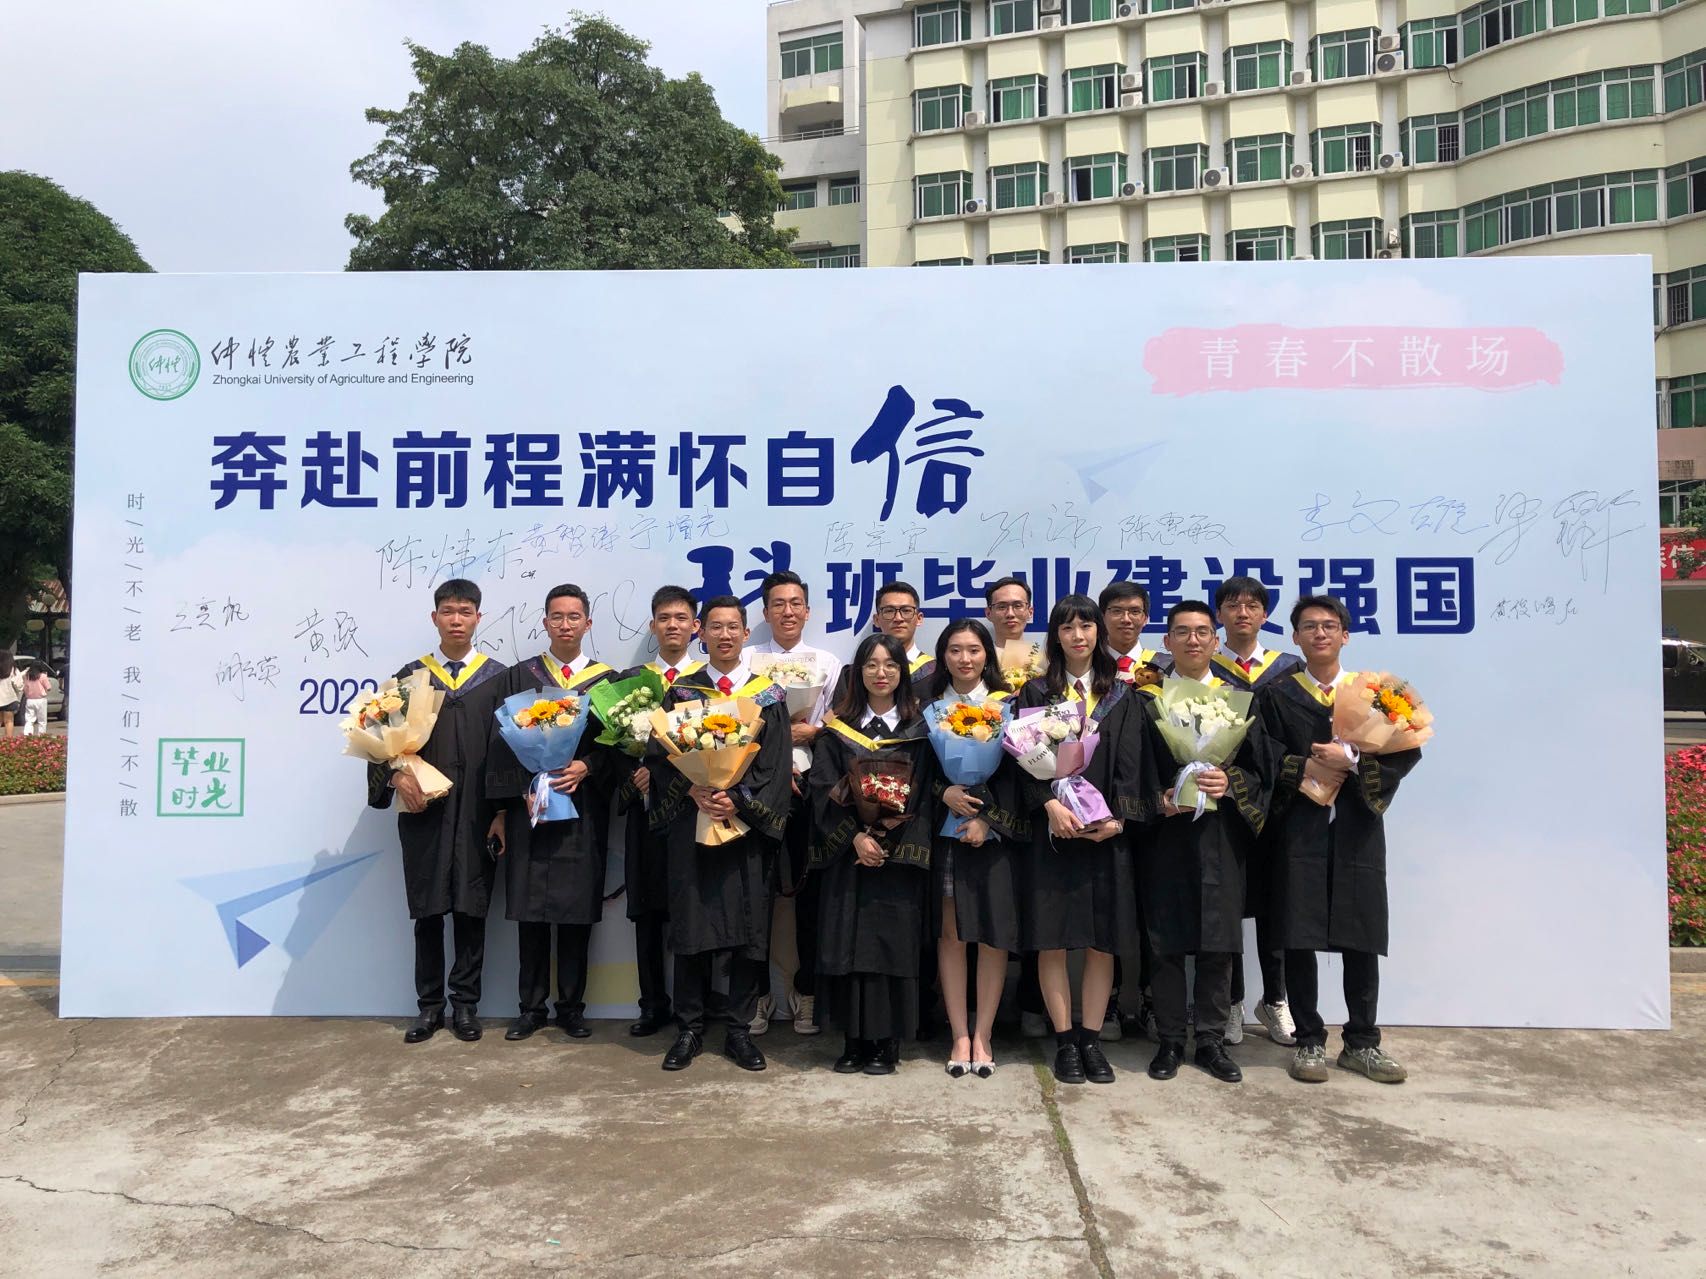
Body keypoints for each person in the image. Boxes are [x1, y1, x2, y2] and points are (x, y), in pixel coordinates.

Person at [1256, 595, 1423, 1086]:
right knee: (1298, 933)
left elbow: (1404, 752)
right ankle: (1308, 1039)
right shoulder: (1277, 695)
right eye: (1309, 626)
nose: (1320, 633)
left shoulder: (1377, 695)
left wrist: (1352, 761)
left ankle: (1362, 1042)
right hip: (1300, 827)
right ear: (1295, 637)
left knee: (1360, 932)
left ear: (1345, 635)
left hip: (1356, 828)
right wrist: (1305, 766)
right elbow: (1261, 755)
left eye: (1330, 626)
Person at [1017, 595, 1154, 1085]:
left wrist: (1117, 821)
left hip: (1105, 838)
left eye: (1086, 626)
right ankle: (1064, 1042)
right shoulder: (1035, 692)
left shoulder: (1121, 695)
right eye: (1067, 627)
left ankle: (1091, 1041)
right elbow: (1020, 763)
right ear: (1055, 636)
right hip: (1053, 836)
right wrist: (1047, 805)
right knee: (1052, 941)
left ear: (1099, 632)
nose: (1078, 635)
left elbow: (1133, 765)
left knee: (1102, 943)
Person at [367, 579, 508, 1044]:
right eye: (448, 611)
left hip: (477, 811)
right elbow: (380, 740)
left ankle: (465, 1005)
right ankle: (429, 1007)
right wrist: (395, 775)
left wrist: (502, 813)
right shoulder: (411, 677)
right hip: (424, 809)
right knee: (427, 910)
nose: (456, 620)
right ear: (435, 618)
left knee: (471, 909)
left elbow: (508, 751)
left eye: (465, 612)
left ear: (478, 618)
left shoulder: (499, 678)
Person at [657, 595, 794, 1073]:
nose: (725, 635)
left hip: (746, 832)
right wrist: (693, 788)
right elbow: (662, 759)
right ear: (702, 633)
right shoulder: (681, 693)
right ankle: (690, 1029)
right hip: (693, 827)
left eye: (733, 627)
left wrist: (739, 799)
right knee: (692, 927)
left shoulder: (768, 695)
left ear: (745, 633)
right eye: (715, 627)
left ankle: (739, 1030)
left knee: (747, 931)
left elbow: (776, 765)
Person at [1140, 601, 1272, 1085]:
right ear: (1167, 642)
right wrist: (1156, 800)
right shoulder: (1145, 701)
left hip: (1220, 837)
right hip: (1166, 837)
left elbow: (1263, 772)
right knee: (1165, 941)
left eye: (1201, 632)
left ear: (1216, 642)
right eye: (1182, 632)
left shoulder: (1240, 700)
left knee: (1219, 941)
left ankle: (1212, 1039)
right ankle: (1171, 1039)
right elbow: (1129, 768)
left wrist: (1229, 782)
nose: (1192, 640)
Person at [485, 584, 616, 1043]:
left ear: (588, 623)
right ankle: (530, 1008)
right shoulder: (520, 677)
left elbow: (619, 746)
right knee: (532, 911)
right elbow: (499, 745)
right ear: (544, 622)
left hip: (582, 809)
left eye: (574, 616)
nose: (565, 624)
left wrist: (587, 766)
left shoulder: (606, 682)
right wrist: (507, 803)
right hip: (530, 811)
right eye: (556, 617)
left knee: (576, 912)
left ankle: (571, 1008)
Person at [809, 633, 934, 1075]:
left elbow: (925, 792)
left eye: (891, 665)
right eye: (871, 665)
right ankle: (852, 1041)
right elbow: (822, 789)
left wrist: (885, 838)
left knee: (890, 947)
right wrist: (856, 839)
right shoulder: (837, 730)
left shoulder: (920, 730)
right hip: (851, 859)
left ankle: (885, 1042)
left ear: (902, 673)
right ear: (857, 673)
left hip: (897, 859)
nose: (881, 673)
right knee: (848, 944)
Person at [922, 619, 1023, 1077]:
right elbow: (917, 771)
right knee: (952, 935)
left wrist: (987, 818)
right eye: (955, 650)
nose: (965, 658)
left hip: (994, 835)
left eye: (974, 650)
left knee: (991, 935)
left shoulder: (1009, 706)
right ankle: (959, 1034)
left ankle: (984, 1034)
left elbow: (1020, 774)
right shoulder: (928, 708)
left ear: (987, 656)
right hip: (945, 833)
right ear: (943, 656)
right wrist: (943, 792)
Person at [748, 569, 842, 1037]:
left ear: (807, 610)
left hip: (810, 786)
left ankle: (807, 994)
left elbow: (841, 721)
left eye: (795, 603)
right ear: (765, 613)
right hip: (758, 788)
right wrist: (777, 746)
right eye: (778, 604)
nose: (787, 611)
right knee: (756, 892)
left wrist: (814, 730)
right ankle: (756, 994)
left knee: (810, 892)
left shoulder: (828, 662)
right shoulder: (748, 661)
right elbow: (737, 722)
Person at [1211, 575, 1303, 1047]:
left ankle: (1277, 997)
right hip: (1227, 802)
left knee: (1275, 901)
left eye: (1252, 605)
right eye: (1232, 605)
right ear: (1220, 614)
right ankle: (1232, 1002)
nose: (1242, 612)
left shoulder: (1288, 668)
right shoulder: (1207, 668)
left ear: (1265, 615)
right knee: (1230, 905)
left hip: (1280, 803)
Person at [615, 585, 703, 1037]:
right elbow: (610, 745)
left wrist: (669, 777)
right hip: (645, 813)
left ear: (695, 626)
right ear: (653, 625)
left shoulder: (708, 681)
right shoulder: (631, 682)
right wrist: (635, 775)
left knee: (694, 908)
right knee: (647, 910)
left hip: (693, 812)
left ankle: (701, 1005)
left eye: (681, 618)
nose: (673, 625)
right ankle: (652, 1003)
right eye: (664, 618)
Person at [1099, 581, 1171, 680]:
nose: (1126, 619)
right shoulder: (1088, 664)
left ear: (1145, 619)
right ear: (1102, 617)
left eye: (1135, 611)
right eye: (1117, 611)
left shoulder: (1166, 665)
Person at [21, 663, 51, 736]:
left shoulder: (27, 676)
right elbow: (49, 688)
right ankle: (41, 736)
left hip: (30, 700)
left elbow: (25, 688)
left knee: (29, 720)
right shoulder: (42, 676)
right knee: (42, 720)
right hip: (41, 700)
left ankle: (27, 735)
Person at [0, 654, 22, 739]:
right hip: (9, 699)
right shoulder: (12, 669)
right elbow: (18, 684)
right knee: (9, 721)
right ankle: (8, 742)